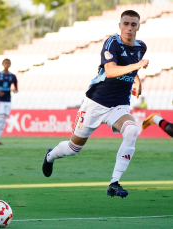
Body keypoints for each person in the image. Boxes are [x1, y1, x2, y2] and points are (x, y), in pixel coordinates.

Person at [42, 10, 148, 198]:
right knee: (73, 149)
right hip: (95, 103)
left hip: (119, 105)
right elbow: (110, 70)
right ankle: (50, 155)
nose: (129, 28)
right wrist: (136, 67)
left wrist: (137, 80)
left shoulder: (141, 47)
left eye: (133, 24)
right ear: (119, 26)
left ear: (139, 26)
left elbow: (132, 65)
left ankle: (114, 183)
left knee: (132, 130)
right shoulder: (112, 42)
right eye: (126, 24)